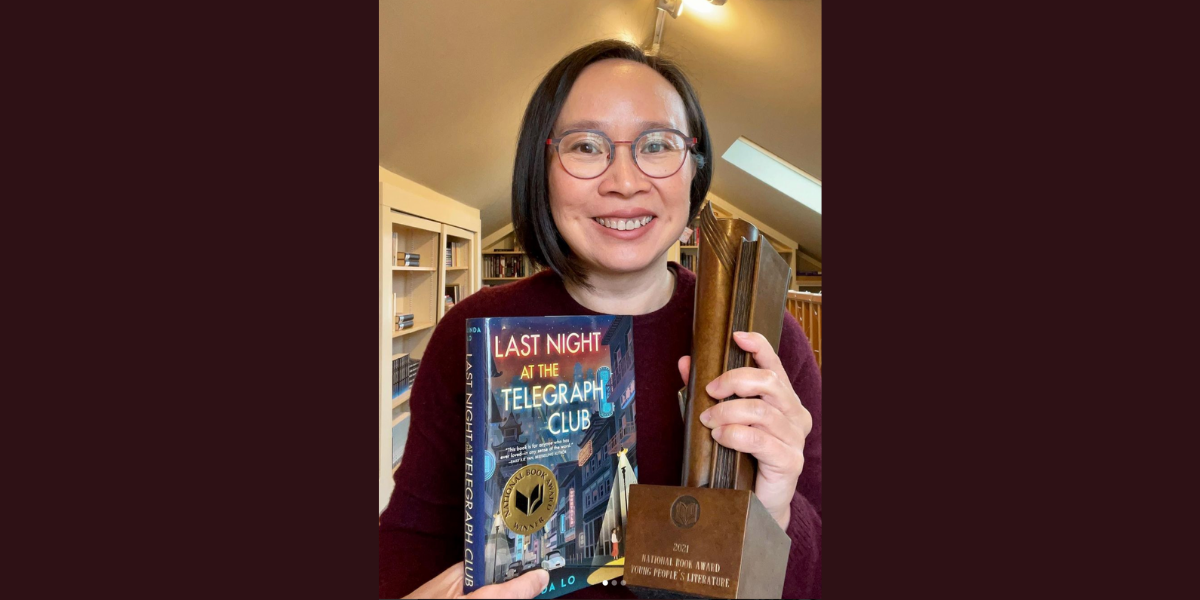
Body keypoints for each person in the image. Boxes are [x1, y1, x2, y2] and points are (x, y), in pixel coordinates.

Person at [379, 39, 821, 599]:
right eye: (586, 146)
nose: (625, 181)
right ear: (541, 169)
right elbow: (407, 546)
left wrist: (779, 513)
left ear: (694, 167)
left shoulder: (766, 338)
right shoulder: (470, 331)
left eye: (657, 145)